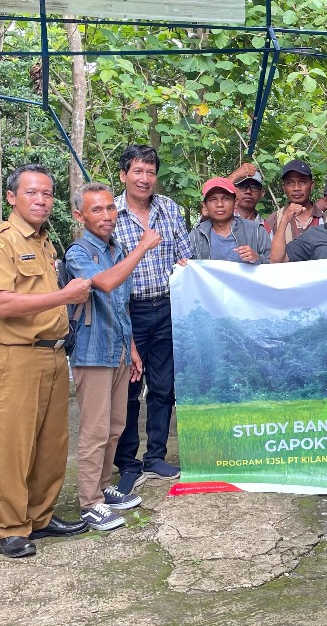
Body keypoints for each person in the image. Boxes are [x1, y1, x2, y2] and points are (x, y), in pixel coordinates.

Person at [0, 163, 93, 559]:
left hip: (52, 355)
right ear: (11, 197)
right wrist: (65, 297)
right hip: (14, 358)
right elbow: (4, 305)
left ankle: (40, 517)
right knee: (15, 446)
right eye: (31, 192)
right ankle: (10, 528)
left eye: (47, 193)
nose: (41, 200)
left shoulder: (44, 243)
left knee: (51, 445)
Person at [67, 182, 161, 531]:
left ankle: (103, 486)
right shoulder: (78, 253)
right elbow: (105, 284)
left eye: (110, 208)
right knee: (94, 430)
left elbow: (122, 304)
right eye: (97, 209)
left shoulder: (116, 248)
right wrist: (143, 247)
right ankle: (90, 503)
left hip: (118, 350)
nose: (107, 216)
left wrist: (132, 349)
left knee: (115, 426)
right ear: (79, 216)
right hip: (92, 353)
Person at [112, 145, 193, 494]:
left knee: (163, 387)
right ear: (124, 175)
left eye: (150, 172)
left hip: (167, 308)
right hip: (129, 312)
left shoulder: (169, 208)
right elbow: (108, 272)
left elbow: (186, 257)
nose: (145, 178)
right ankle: (127, 463)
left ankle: (155, 456)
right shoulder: (111, 213)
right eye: (138, 171)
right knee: (129, 387)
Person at [190, 177, 272, 263]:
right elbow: (187, 264)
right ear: (205, 205)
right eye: (213, 199)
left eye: (225, 198)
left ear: (235, 202)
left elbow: (273, 264)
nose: (220, 204)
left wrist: (257, 258)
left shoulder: (256, 231)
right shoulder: (196, 235)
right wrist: (184, 263)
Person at [264, 159, 325, 241]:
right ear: (284, 188)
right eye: (290, 183)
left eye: (302, 182)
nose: (296, 188)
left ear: (312, 185)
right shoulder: (273, 221)